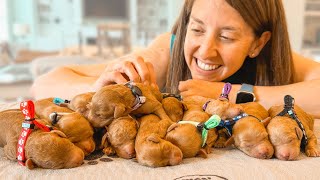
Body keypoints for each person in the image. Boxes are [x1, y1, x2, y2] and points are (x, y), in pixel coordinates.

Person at [31, 0, 320, 118]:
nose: (205, 51)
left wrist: (229, 94)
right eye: (196, 29)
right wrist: (99, 88)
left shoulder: (267, 61)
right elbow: (45, 83)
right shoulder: (162, 57)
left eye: (227, 37)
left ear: (258, 43)